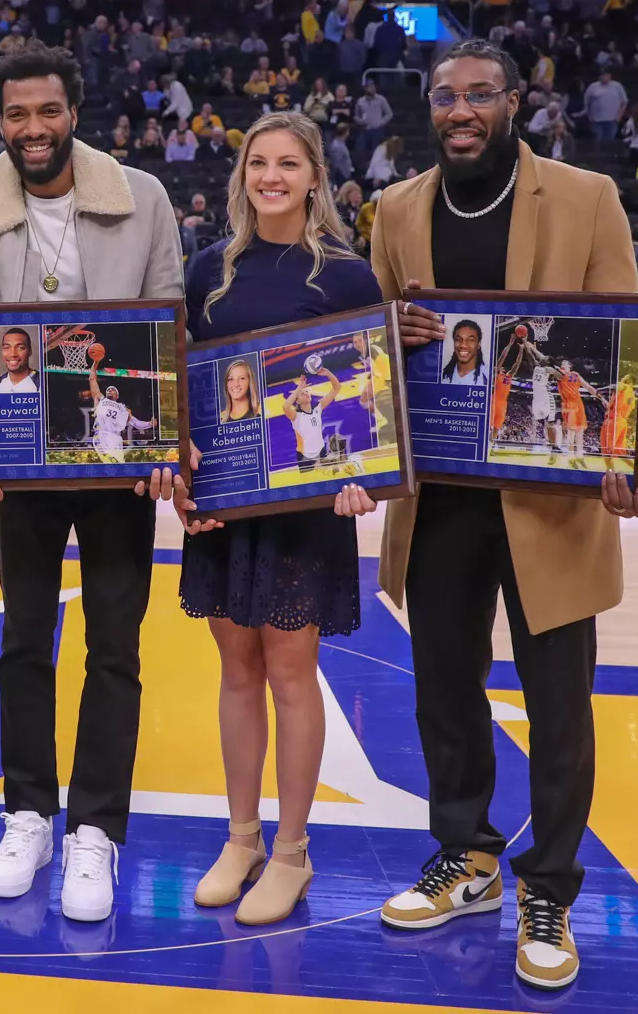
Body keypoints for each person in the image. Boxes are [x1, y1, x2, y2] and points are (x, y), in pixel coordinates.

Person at [365, 39, 638, 991]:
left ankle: (551, 889)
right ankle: (467, 858)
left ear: (515, 102)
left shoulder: (586, 197)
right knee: (444, 691)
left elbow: (619, 338)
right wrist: (393, 332)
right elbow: (373, 351)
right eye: (445, 96)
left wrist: (627, 460)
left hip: (552, 500)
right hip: (443, 494)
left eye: (480, 95)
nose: (461, 110)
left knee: (558, 707)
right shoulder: (398, 206)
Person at [0, 42, 183, 924]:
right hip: (24, 471)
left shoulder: (144, 197)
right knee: (23, 642)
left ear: (74, 112)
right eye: (16, 115)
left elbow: (167, 322)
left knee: (115, 648)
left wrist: (164, 440)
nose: (33, 129)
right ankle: (29, 812)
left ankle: (97, 829)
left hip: (120, 465)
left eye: (47, 111)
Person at [174, 112, 382, 926]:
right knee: (236, 672)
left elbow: (364, 404)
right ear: (242, 176)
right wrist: (186, 465)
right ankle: (242, 836)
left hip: (307, 506)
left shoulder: (349, 277)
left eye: (287, 164)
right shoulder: (206, 272)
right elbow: (189, 389)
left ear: (313, 179)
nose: (271, 176)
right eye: (258, 162)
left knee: (292, 673)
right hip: (226, 504)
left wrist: (362, 477)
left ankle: (292, 852)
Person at [441, 318, 488, 384]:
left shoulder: (488, 377)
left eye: (471, 340)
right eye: (458, 339)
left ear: (478, 344)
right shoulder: (443, 375)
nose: (463, 345)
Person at [0, 326, 38, 392]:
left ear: (30, 351)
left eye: (20, 348)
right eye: (7, 347)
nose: (12, 354)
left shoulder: (42, 383)